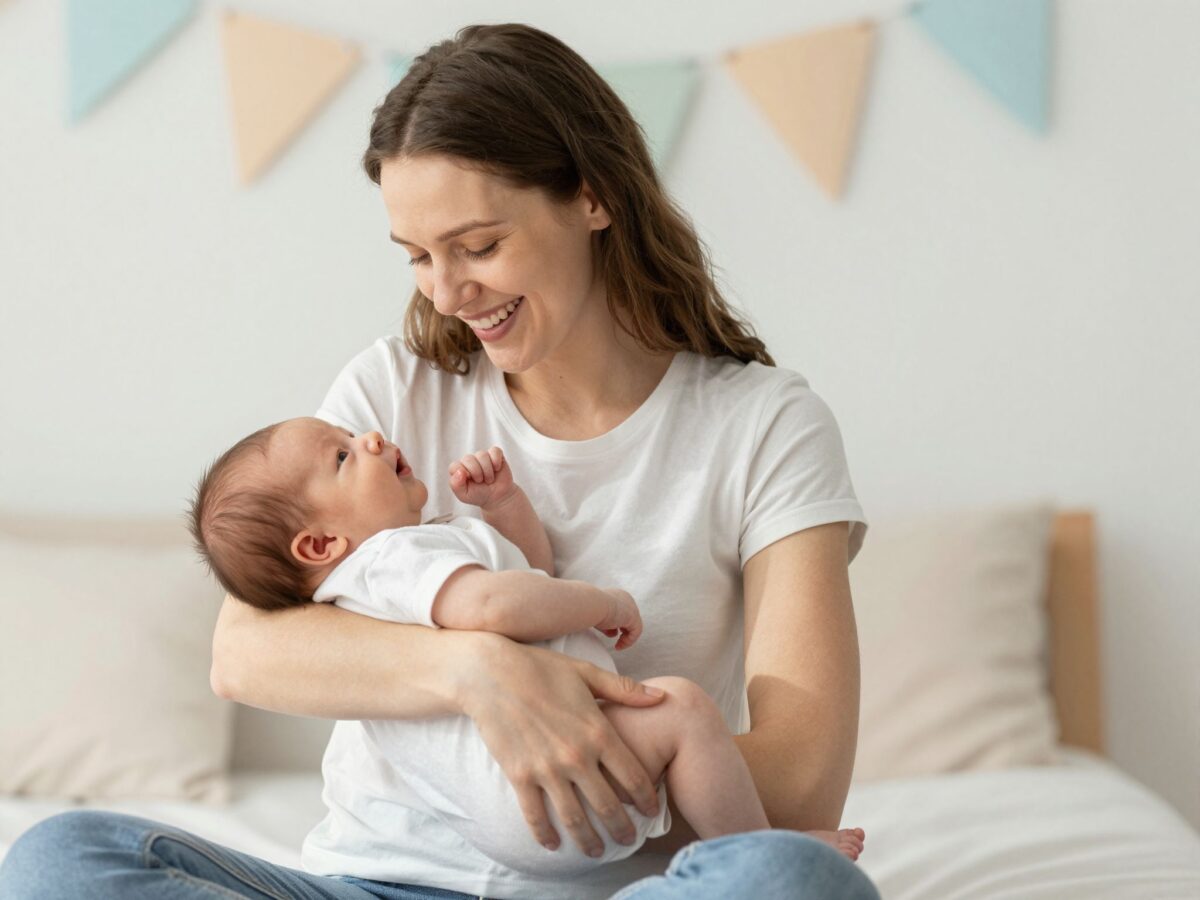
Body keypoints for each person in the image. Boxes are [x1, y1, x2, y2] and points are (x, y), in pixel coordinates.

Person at [0, 22, 880, 900]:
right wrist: (485, 675)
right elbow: (245, 651)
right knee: (60, 859)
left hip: (621, 892)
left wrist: (581, 774)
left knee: (791, 877)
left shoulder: (766, 426)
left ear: (594, 197)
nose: (447, 293)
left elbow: (803, 783)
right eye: (419, 256)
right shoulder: (392, 391)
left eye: (479, 246)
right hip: (370, 885)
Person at [186, 417, 866, 877]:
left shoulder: (411, 554)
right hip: (533, 792)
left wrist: (503, 506)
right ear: (320, 546)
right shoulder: (389, 560)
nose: (367, 437)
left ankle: (753, 866)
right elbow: (498, 605)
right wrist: (604, 602)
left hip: (524, 811)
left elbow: (523, 576)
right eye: (341, 456)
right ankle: (748, 855)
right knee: (685, 711)